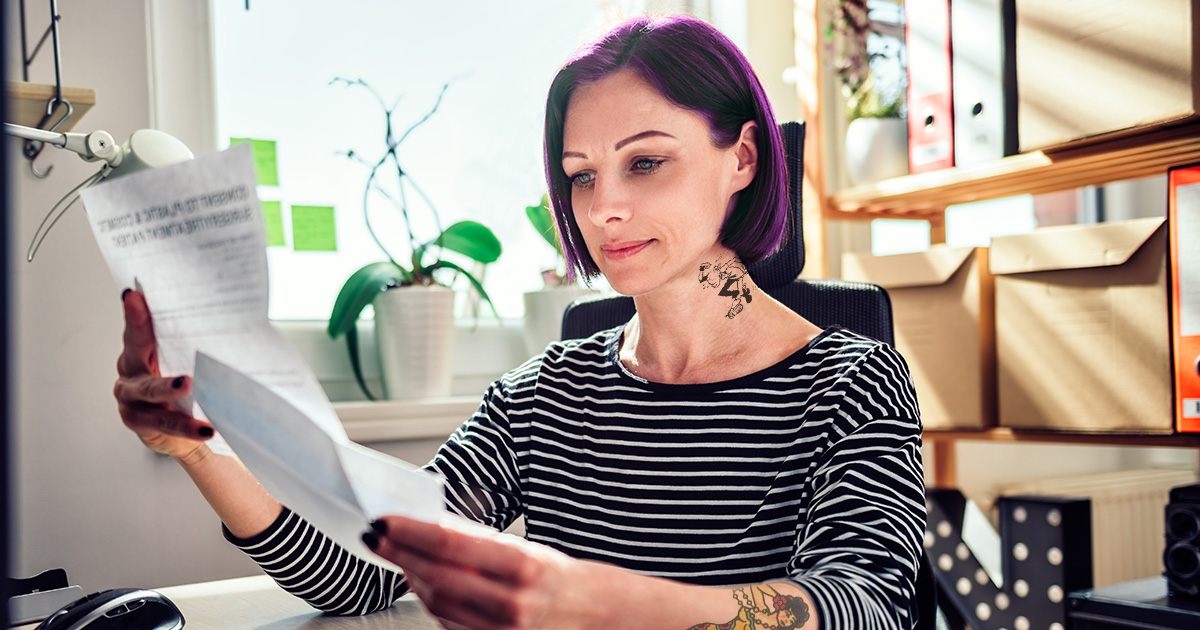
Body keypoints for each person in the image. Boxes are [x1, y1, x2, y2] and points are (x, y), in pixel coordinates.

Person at [113, 15, 925, 630]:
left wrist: (608, 602)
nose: (604, 208)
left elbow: (865, 605)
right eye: (581, 177)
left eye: (646, 161)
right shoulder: (543, 394)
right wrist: (198, 446)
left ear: (742, 158)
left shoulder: (852, 381)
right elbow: (364, 571)